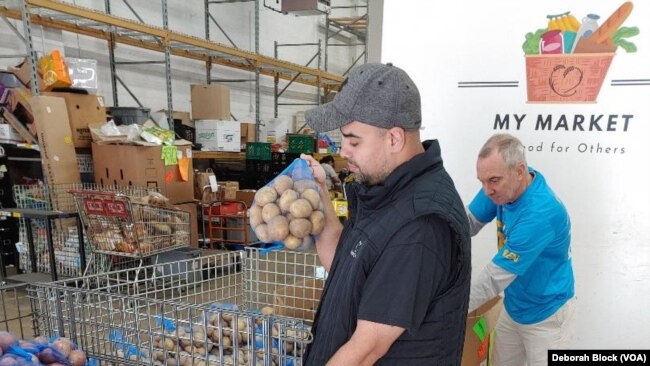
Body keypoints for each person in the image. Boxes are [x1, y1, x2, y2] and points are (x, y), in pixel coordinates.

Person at [300, 62, 471, 365]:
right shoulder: (386, 192)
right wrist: (319, 195)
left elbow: (367, 349)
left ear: (394, 138)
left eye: (353, 140)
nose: (343, 151)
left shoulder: (421, 225)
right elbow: (345, 266)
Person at [466, 133, 576, 366]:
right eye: (482, 181)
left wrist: (448, 309)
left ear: (519, 171)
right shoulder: (502, 185)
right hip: (514, 307)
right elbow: (468, 222)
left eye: (493, 181)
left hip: (547, 316)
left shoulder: (540, 214)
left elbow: (494, 278)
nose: (487, 190)